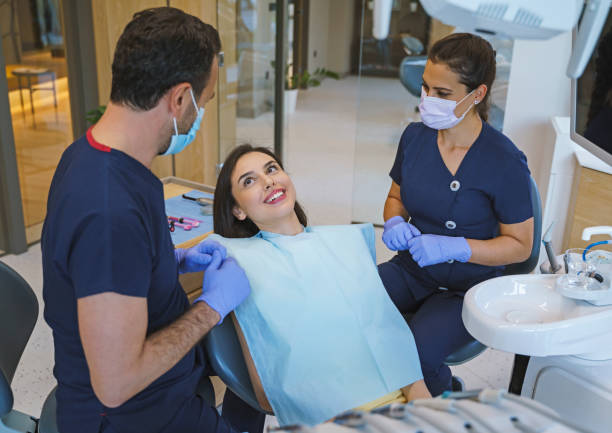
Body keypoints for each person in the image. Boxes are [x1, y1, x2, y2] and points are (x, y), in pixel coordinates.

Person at [41, 8, 262, 433]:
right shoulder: (108, 210)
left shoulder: (95, 155)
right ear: (180, 99)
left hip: (161, 385)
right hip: (133, 416)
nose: (200, 115)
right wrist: (209, 309)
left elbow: (104, 268)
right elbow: (116, 384)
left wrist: (174, 260)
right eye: (204, 102)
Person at [209, 144, 431, 426]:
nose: (268, 181)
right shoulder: (242, 266)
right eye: (249, 181)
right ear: (238, 210)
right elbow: (267, 390)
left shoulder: (346, 247)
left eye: (272, 169)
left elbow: (396, 352)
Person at [378, 33, 534, 396]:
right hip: (413, 269)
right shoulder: (415, 138)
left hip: (468, 287)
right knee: (352, 308)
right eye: (425, 88)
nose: (427, 101)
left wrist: (459, 248)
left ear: (477, 94)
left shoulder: (504, 160)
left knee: (416, 351)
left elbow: (520, 246)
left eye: (442, 93)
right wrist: (393, 220)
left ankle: (442, 394)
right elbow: (394, 196)